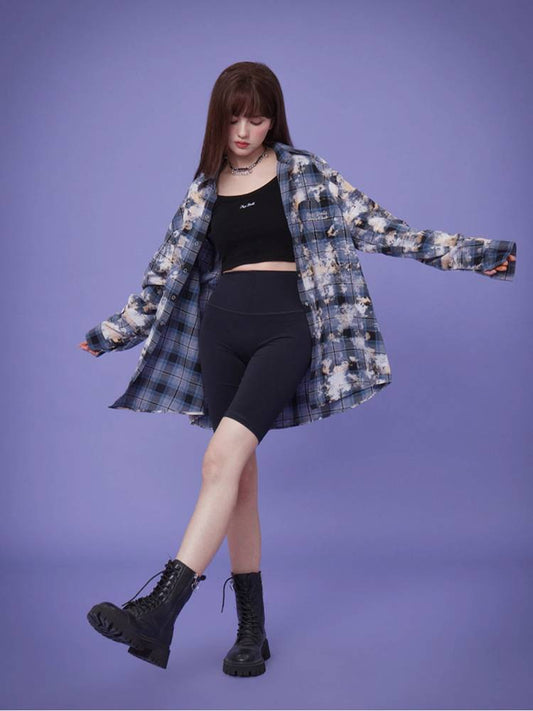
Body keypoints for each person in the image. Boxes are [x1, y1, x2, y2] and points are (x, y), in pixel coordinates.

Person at [79, 61, 516, 676]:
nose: (244, 131)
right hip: (219, 335)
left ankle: (158, 611)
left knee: (218, 463)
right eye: (234, 118)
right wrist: (111, 334)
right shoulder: (204, 188)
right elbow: (162, 274)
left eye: (257, 119)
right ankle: (251, 634)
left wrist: (475, 255)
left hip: (284, 332)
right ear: (218, 118)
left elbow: (383, 229)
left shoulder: (305, 172)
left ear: (273, 121)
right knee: (239, 480)